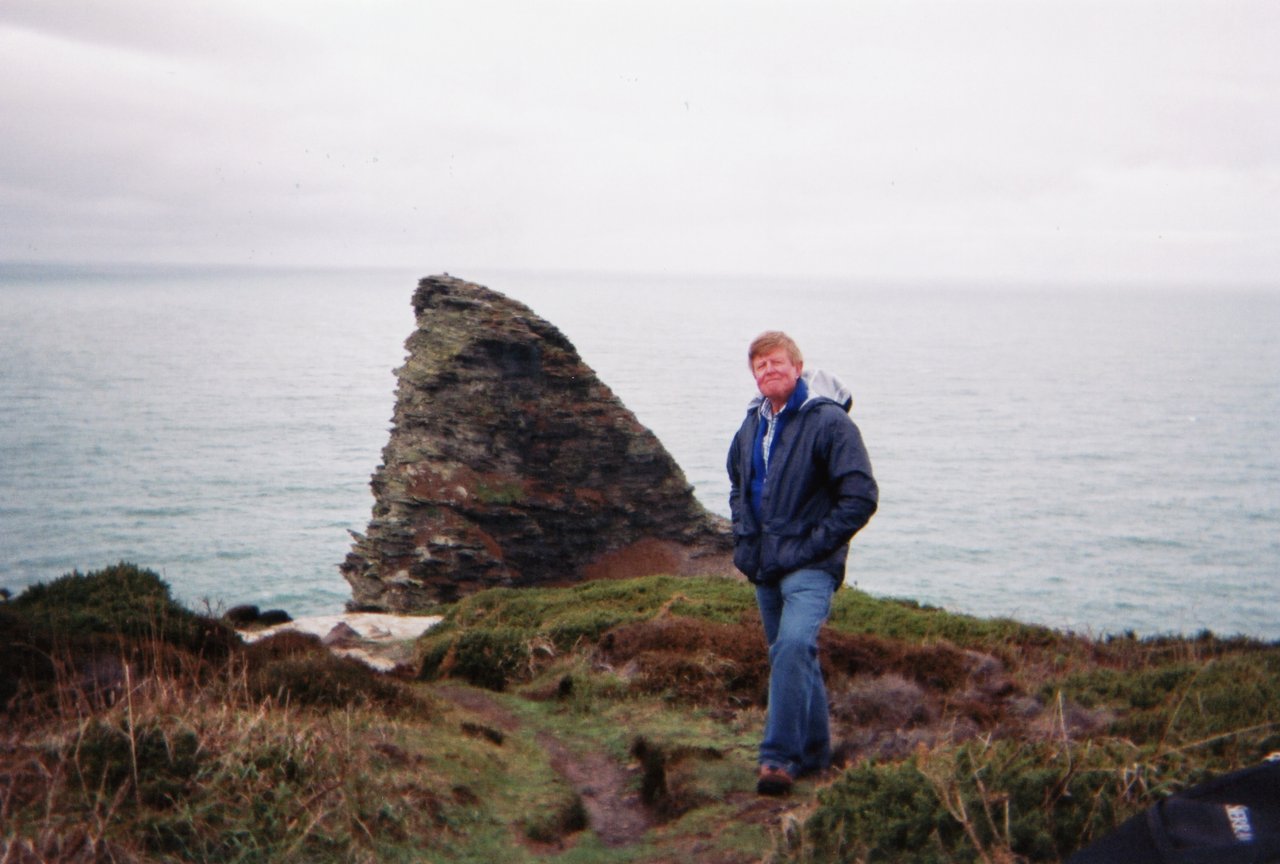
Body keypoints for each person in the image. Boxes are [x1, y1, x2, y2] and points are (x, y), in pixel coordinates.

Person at [727, 331, 878, 795]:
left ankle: (778, 759)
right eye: (760, 367)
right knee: (792, 656)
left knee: (792, 646)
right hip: (765, 563)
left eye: (776, 363)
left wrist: (816, 545)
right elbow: (738, 485)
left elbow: (860, 496)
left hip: (811, 564)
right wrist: (745, 542)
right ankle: (815, 753)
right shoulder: (752, 425)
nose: (768, 371)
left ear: (797, 368)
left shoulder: (828, 423)